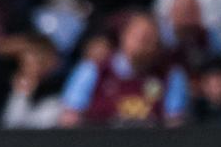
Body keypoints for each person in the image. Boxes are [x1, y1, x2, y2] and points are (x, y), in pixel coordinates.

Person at [60, 13, 188, 127]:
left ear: (158, 43)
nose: (142, 43)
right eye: (137, 36)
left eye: (149, 38)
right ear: (123, 36)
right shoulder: (92, 70)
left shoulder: (171, 75)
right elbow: (71, 117)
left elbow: (175, 123)